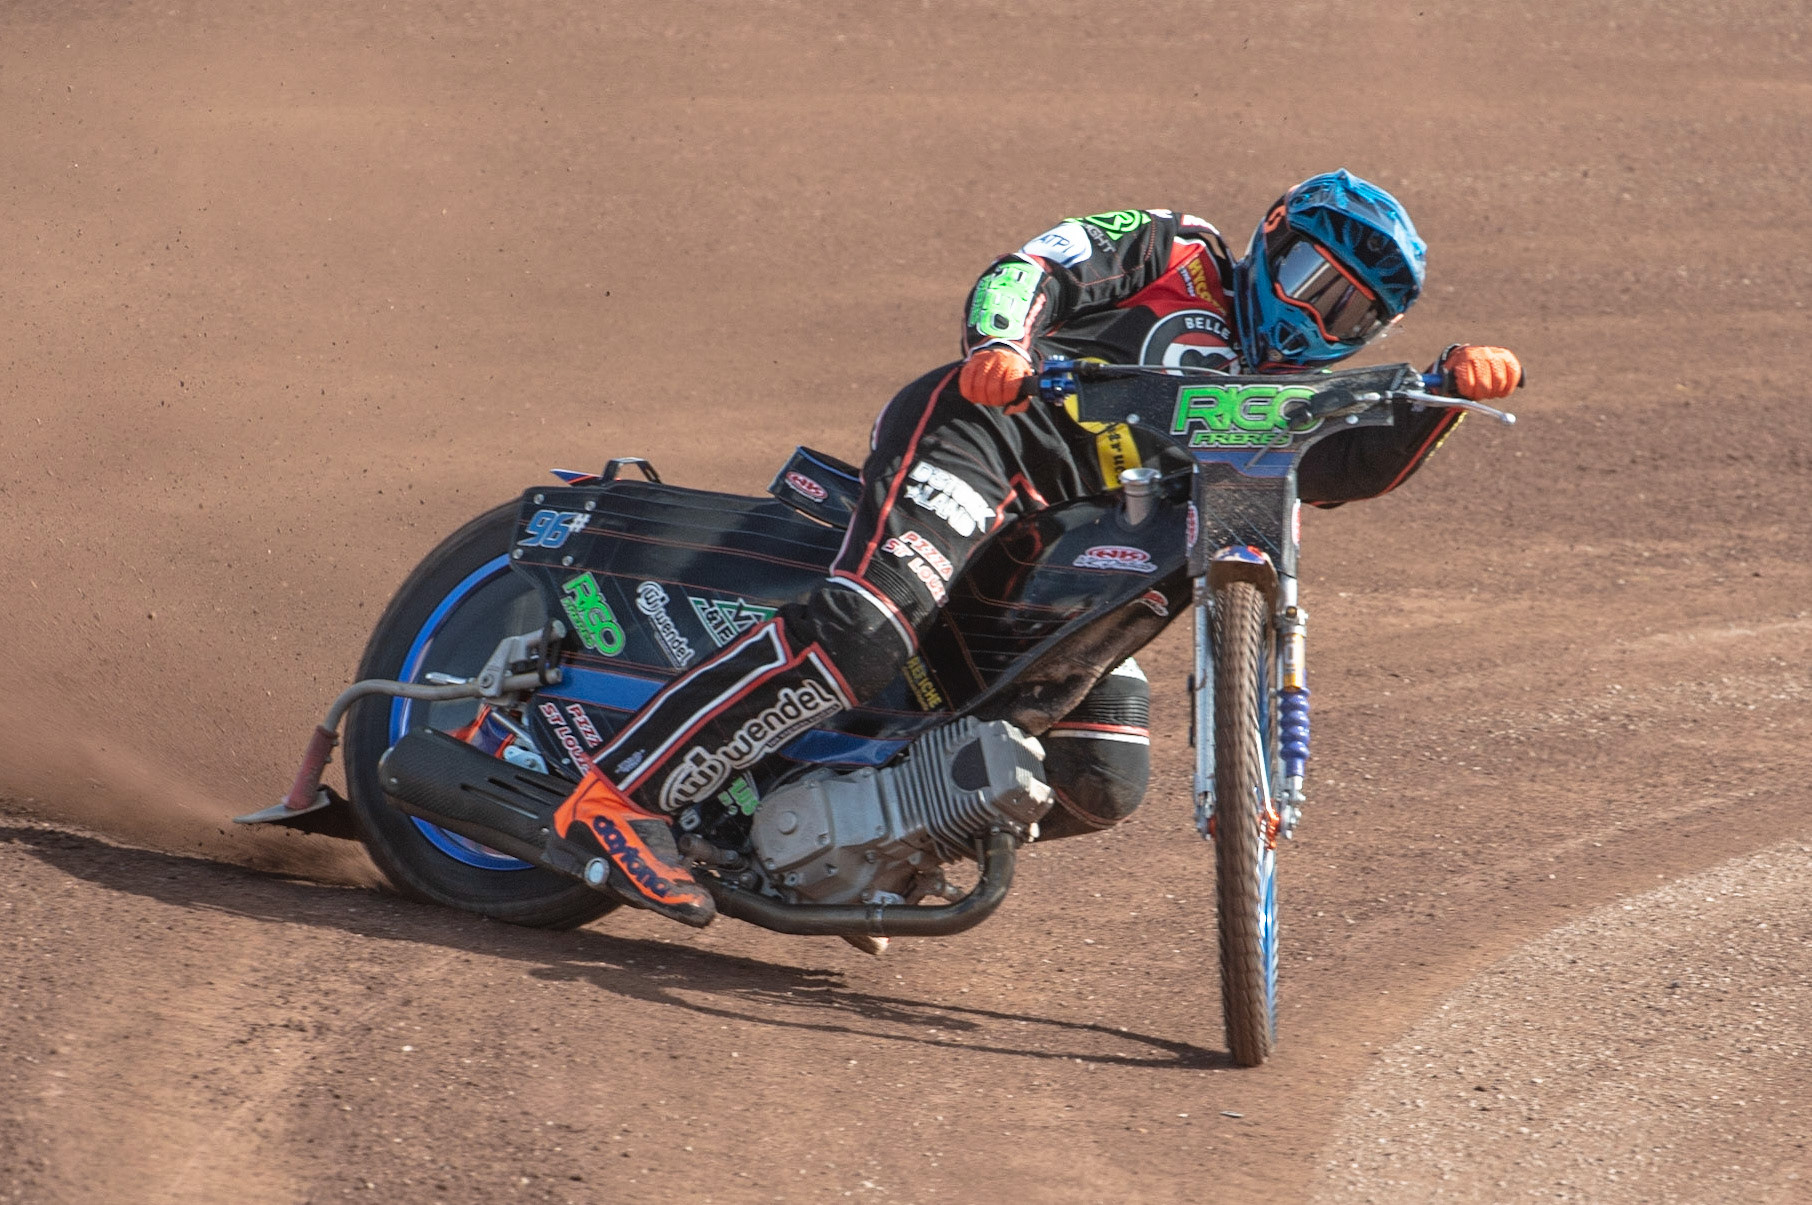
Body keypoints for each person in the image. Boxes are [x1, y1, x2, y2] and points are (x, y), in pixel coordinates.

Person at [547, 169, 1523, 928]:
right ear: (1272, 233)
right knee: (869, 625)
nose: (1312, 320)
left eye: (1346, 315)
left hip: (1065, 553)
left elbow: (1345, 467)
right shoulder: (1172, 250)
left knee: (1102, 772)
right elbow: (1036, 268)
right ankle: (620, 790)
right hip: (994, 439)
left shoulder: (1275, 413)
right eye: (1312, 281)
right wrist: (1001, 343)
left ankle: (879, 842)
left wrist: (1449, 397)